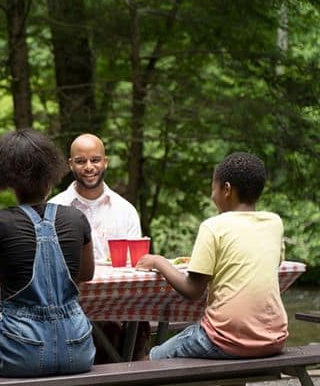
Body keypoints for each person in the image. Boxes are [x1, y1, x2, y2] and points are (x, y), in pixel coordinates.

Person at [0, 129, 96, 377]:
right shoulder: (77, 219)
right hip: (78, 346)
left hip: (22, 348)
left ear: (8, 180)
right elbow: (86, 273)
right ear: (50, 175)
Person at [136, 152, 288, 359]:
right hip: (274, 339)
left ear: (226, 189)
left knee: (151, 359)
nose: (212, 195)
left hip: (224, 340)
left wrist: (159, 262)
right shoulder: (274, 223)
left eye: (213, 188)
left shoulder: (213, 226)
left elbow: (193, 291)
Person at [49, 133, 150, 361]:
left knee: (132, 329)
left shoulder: (125, 210)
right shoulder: (53, 208)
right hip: (66, 308)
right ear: (70, 164)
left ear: (106, 161)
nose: (89, 167)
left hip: (119, 306)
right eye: (81, 161)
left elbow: (135, 268)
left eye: (95, 160)